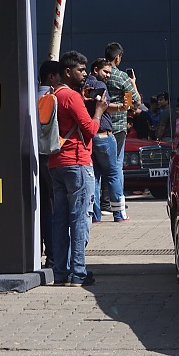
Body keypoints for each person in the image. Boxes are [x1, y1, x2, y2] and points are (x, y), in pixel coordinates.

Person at [48, 51, 107, 286]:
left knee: (60, 221)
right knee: (80, 219)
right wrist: (99, 110)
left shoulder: (54, 95)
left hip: (56, 163)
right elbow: (91, 129)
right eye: (81, 70)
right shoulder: (71, 97)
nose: (84, 74)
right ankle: (79, 273)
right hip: (77, 162)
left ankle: (61, 273)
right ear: (67, 71)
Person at [84, 58, 125, 223]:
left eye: (109, 72)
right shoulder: (99, 86)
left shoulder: (83, 86)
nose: (108, 75)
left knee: (95, 176)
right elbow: (103, 104)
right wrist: (122, 107)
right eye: (105, 72)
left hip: (89, 136)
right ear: (95, 69)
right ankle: (119, 214)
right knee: (113, 174)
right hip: (103, 135)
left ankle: (95, 215)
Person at [104, 42, 141, 222]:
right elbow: (135, 100)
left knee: (98, 168)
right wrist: (133, 84)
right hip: (118, 127)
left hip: (99, 125)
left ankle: (99, 208)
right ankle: (118, 207)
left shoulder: (98, 73)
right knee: (116, 167)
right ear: (118, 58)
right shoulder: (121, 76)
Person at [37, 60, 60, 268]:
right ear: (51, 77)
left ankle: (46, 253)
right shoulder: (51, 99)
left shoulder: (28, 96)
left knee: (42, 206)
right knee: (52, 206)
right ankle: (54, 255)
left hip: (29, 157)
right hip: (48, 158)